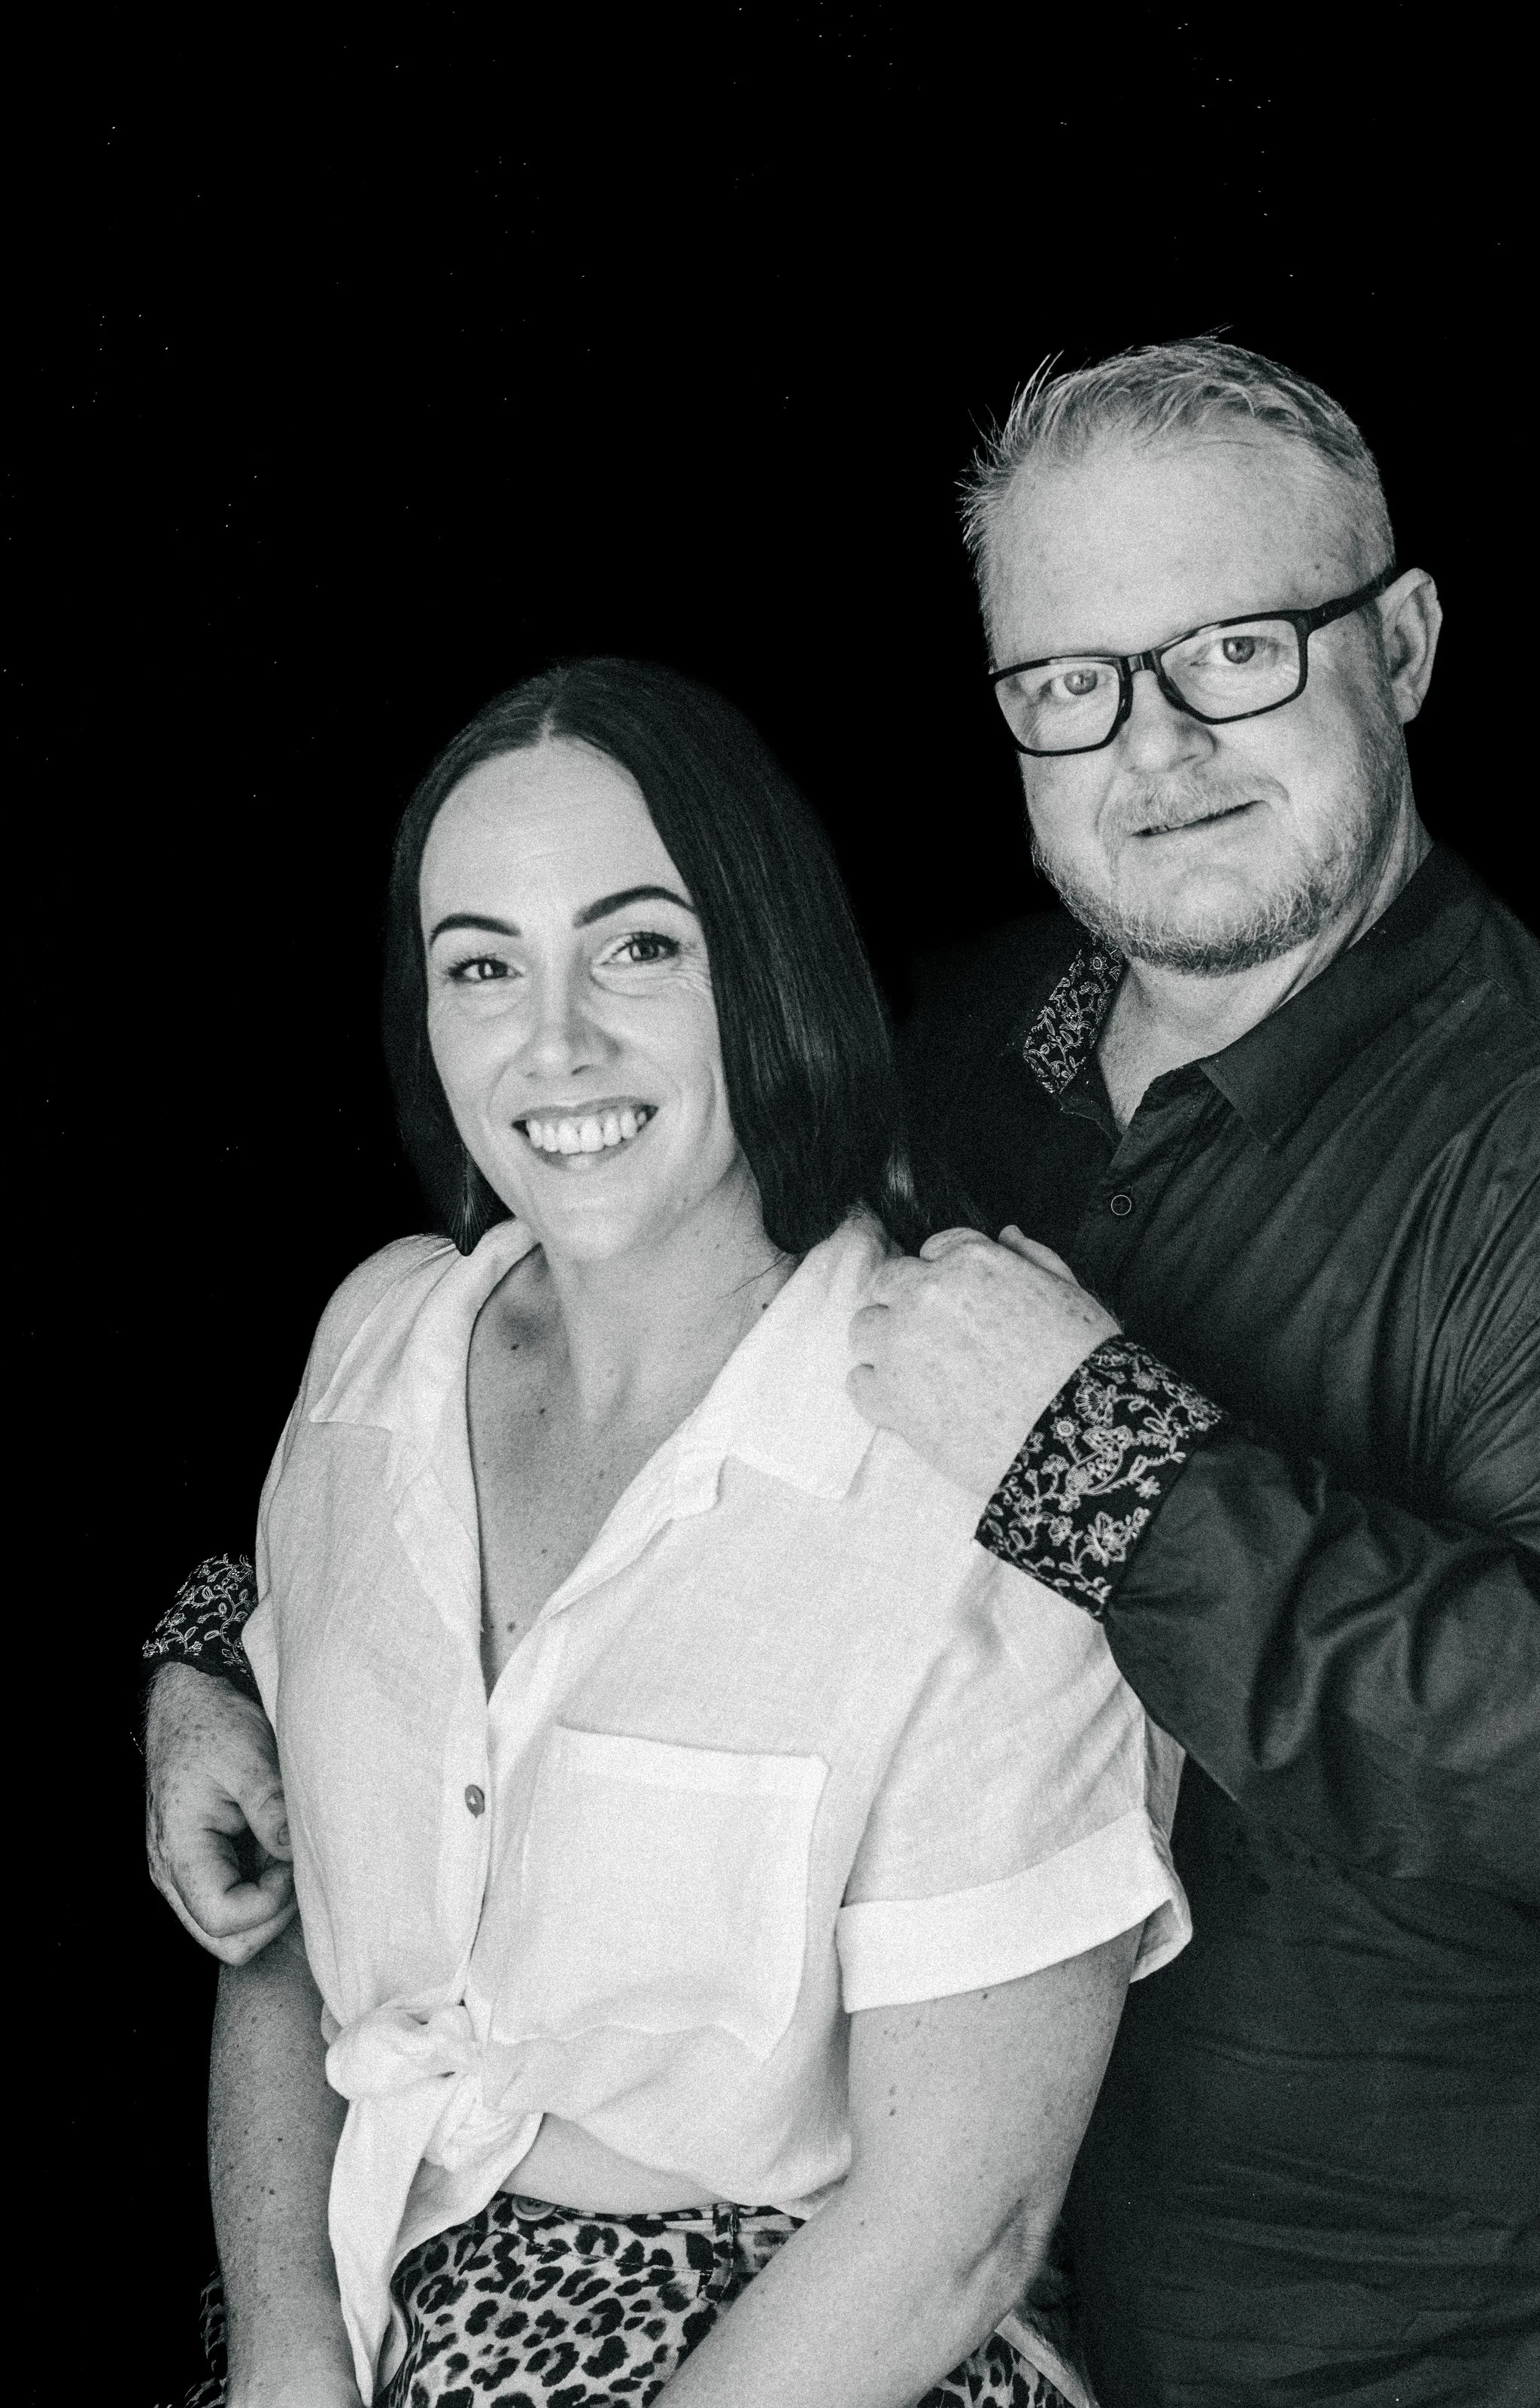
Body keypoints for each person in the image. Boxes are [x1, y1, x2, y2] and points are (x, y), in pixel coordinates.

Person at [145, 340, 1540, 2406]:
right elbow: (611, 1400)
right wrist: (246, 1655)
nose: (1157, 743)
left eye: (1231, 649)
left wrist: (1104, 1464)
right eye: (1070, 684)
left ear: (1399, 641)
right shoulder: (972, 1051)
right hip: (917, 2271)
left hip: (1349, 2302)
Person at [154, 655, 1189, 2408]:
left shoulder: (958, 1462)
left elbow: (958, 2224)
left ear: (762, 972)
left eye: (637, 945)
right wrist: (286, 2348)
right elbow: (303, 1956)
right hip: (358, 2305)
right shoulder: (378, 1353)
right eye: (482, 965)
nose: (553, 1040)